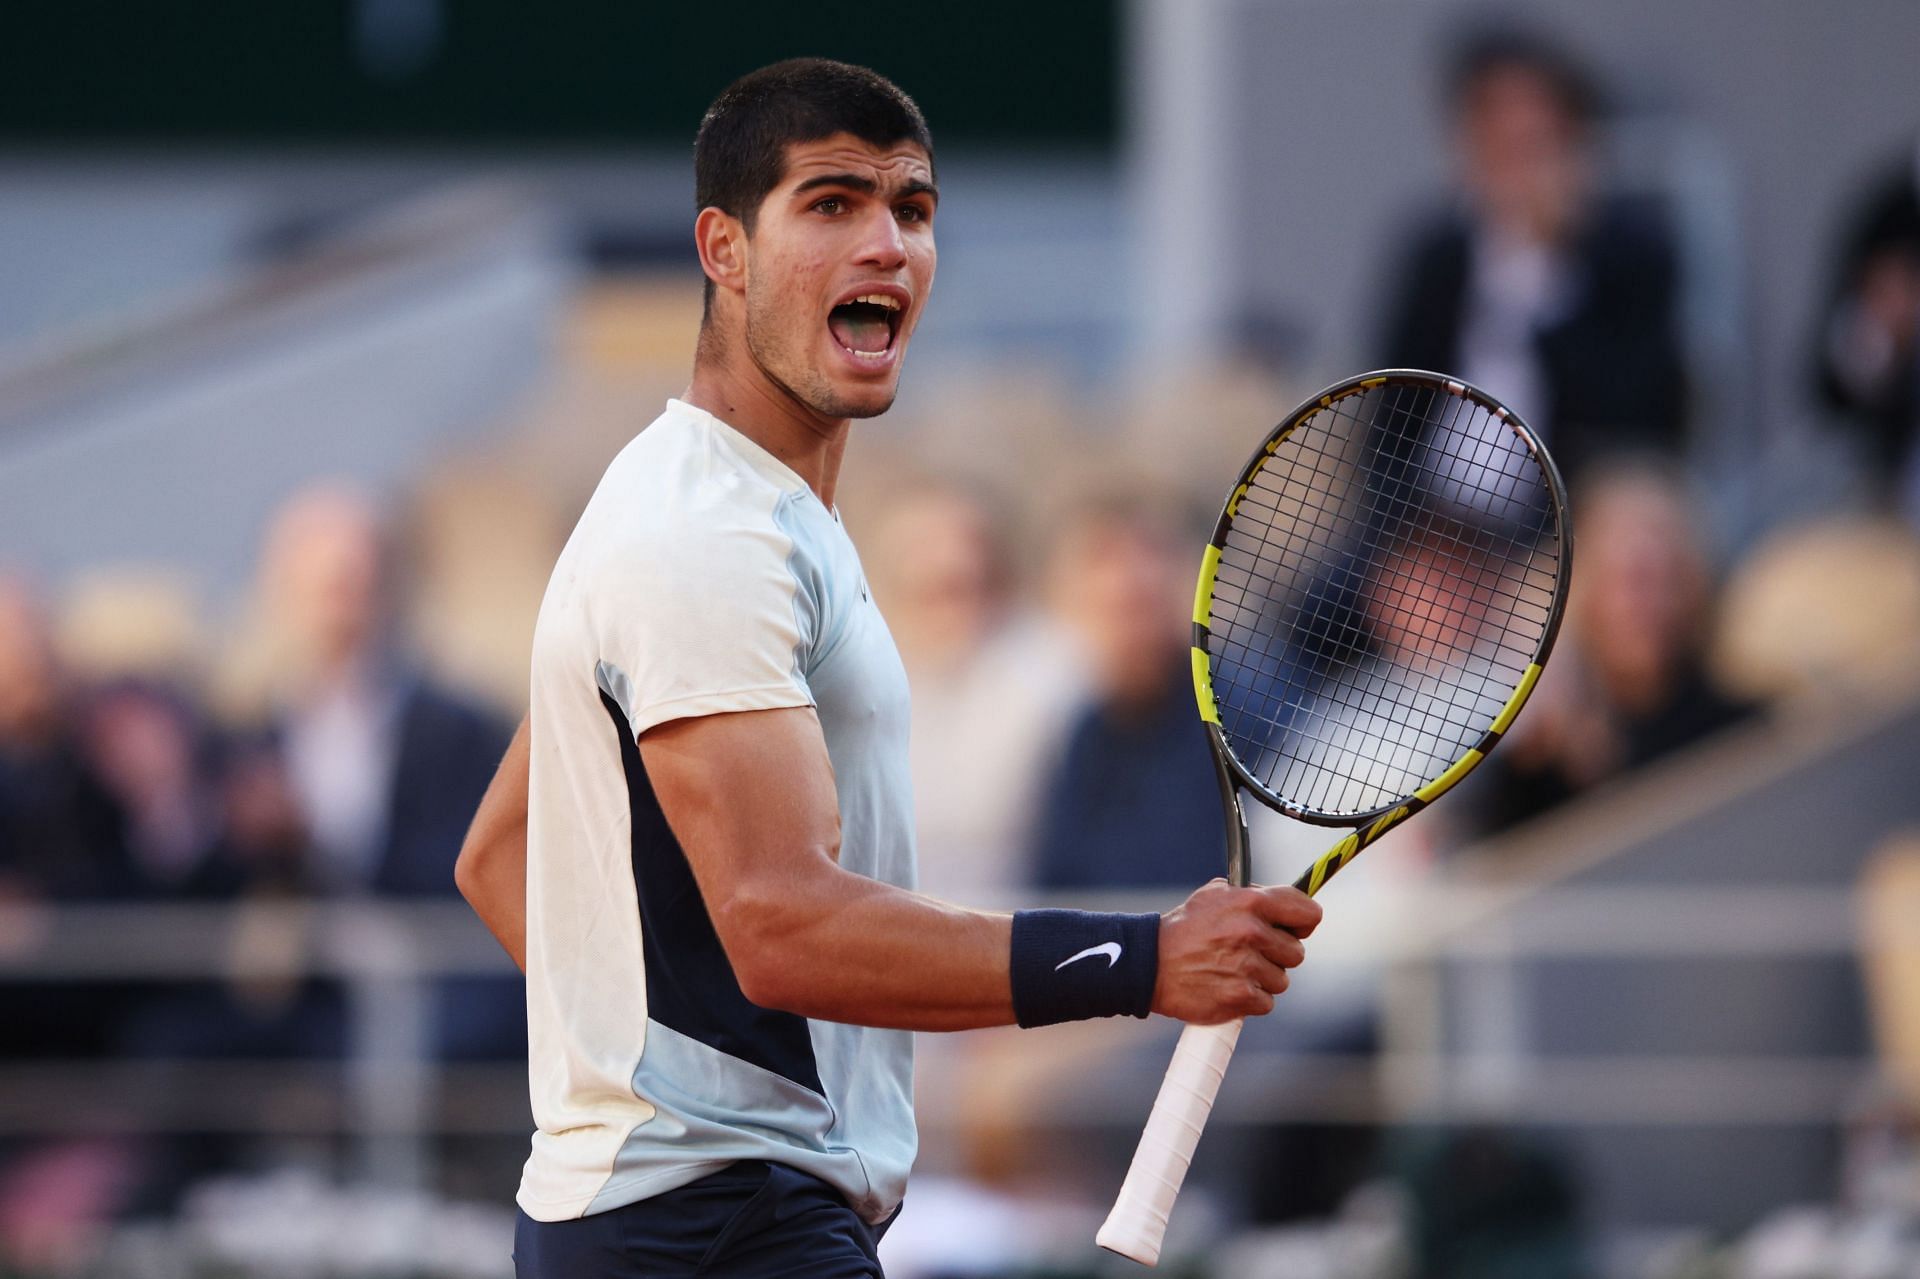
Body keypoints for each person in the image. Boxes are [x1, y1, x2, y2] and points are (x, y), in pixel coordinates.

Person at [454, 58, 1322, 1278]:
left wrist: (659, 1067)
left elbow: (498, 854)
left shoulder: (729, 511)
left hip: (688, 1215)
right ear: (724, 249)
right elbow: (778, 926)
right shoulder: (703, 539)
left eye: (911, 210)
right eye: (831, 203)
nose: (886, 244)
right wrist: (1146, 960)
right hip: (716, 1227)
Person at [1376, 29, 1686, 488]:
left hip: (1564, 514)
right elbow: (1391, 415)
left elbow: (1640, 422)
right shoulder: (1437, 257)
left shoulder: (1634, 258)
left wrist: (1547, 274)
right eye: (1498, 145)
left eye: (1534, 145)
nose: (1517, 173)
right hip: (1429, 519)